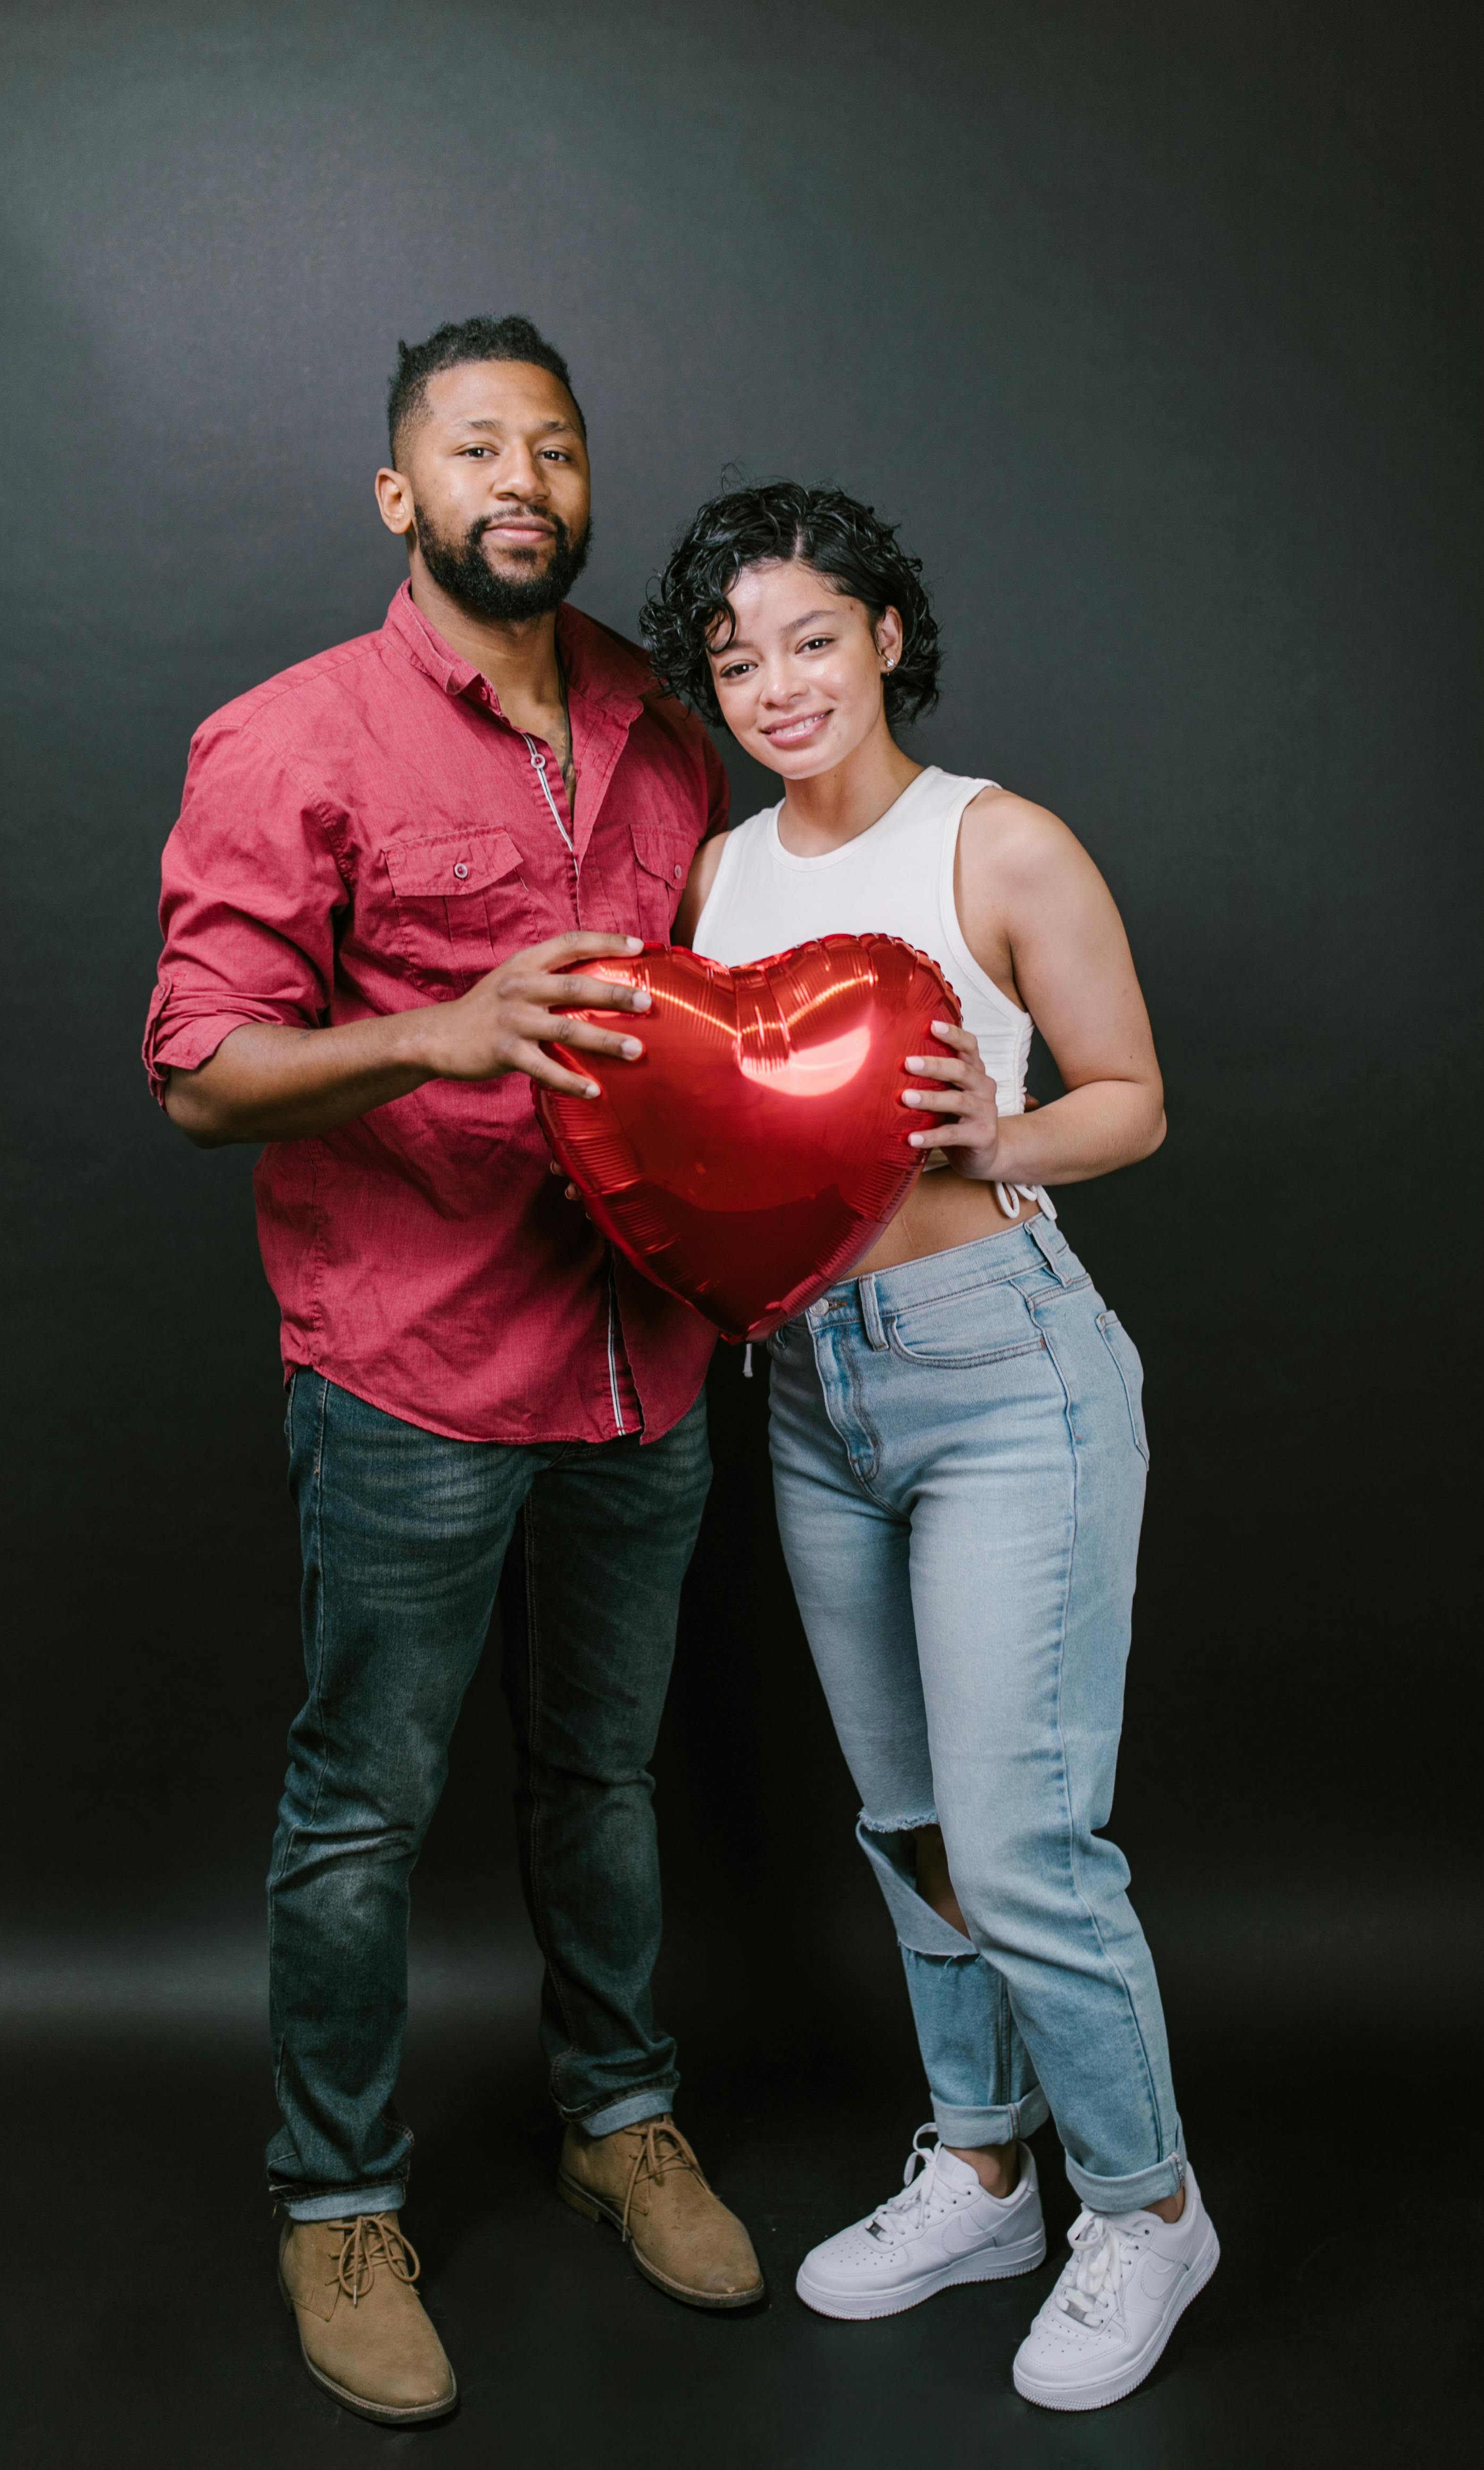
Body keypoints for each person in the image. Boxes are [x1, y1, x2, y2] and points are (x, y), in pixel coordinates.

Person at [143, 317, 764, 2428]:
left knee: (597, 1780)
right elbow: (201, 1068)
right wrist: (439, 1027)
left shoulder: (671, 730)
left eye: (557, 446)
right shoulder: (288, 737)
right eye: (475, 446)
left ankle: (620, 2113)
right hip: (407, 1380)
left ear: (583, 490)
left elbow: (710, 1032)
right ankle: (335, 2193)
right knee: (360, 1812)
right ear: (400, 497)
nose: (525, 475)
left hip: (643, 1380)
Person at [641, 481, 1218, 2414]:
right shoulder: (717, 880)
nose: (776, 683)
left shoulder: (998, 840)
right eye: (735, 658)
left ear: (887, 633)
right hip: (811, 1388)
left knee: (1023, 1841)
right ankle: (979, 2166)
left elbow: (1128, 1101)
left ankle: (1142, 2206)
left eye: (812, 637)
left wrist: (995, 1133)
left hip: (1003, 1373)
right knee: (903, 1823)